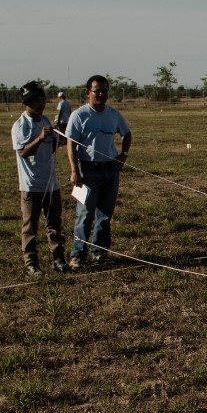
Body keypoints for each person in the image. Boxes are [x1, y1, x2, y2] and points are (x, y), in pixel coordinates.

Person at [65, 75, 131, 269]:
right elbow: (70, 145)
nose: (101, 94)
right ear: (88, 93)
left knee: (105, 214)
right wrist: (74, 170)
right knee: (85, 214)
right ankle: (78, 254)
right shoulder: (79, 115)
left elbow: (127, 134)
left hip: (110, 169)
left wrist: (123, 154)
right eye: (97, 91)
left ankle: (99, 252)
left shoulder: (113, 114)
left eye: (104, 91)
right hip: (87, 170)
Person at [12, 81, 67, 275]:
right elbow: (23, 152)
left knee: (54, 224)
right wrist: (40, 138)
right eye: (35, 100)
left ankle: (58, 258)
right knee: (30, 226)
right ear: (26, 103)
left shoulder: (45, 122)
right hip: (31, 185)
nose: (40, 103)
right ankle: (31, 263)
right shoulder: (20, 125)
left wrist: (60, 140)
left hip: (51, 184)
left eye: (42, 99)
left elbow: (51, 148)